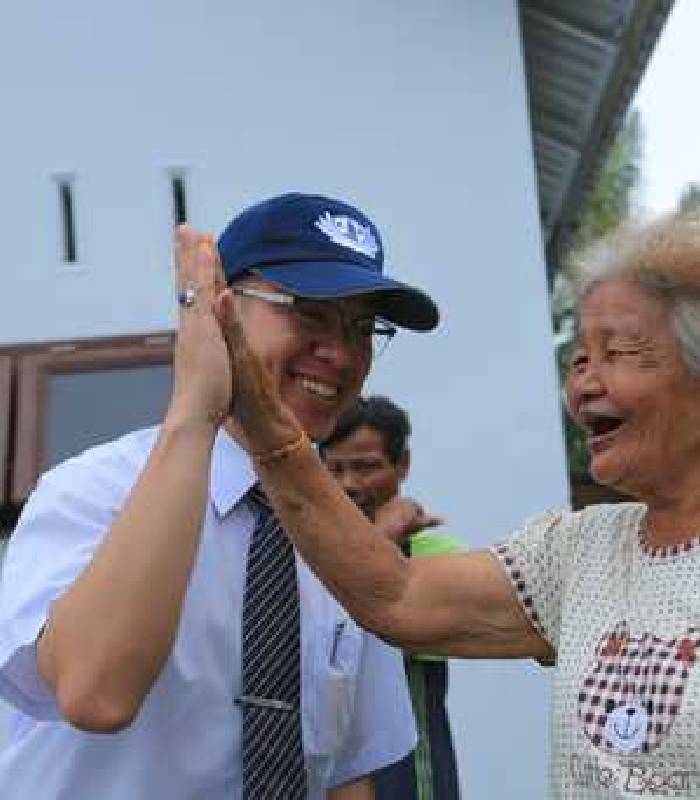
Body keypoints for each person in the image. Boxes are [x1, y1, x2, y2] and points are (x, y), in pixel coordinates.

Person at [203, 216, 700, 797]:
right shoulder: (581, 551)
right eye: (579, 358)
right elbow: (397, 595)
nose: (584, 384)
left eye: (621, 354)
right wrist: (269, 421)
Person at [0, 192, 440, 798]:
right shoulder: (93, 491)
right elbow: (95, 692)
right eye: (309, 313)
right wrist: (195, 409)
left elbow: (348, 772)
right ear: (220, 308)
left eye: (361, 328)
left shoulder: (344, 541)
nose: (341, 354)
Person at [321, 396, 465, 800]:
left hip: (411, 781)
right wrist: (380, 536)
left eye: (366, 467)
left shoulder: (436, 553)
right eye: (334, 469)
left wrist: (380, 543)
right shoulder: (302, 557)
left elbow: (366, 620)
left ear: (402, 465)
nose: (348, 484)